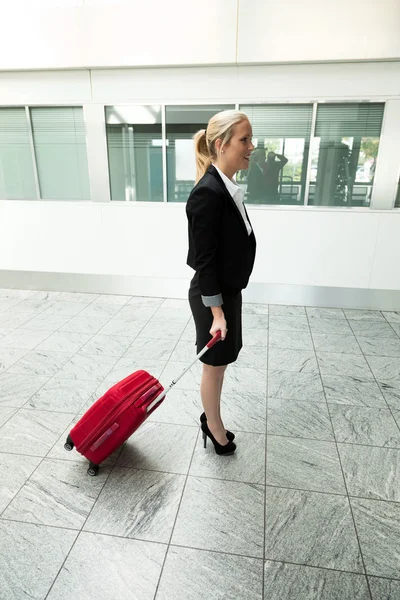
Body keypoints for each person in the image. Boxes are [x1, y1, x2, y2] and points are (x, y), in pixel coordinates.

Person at [186, 110, 256, 456]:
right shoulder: (207, 193)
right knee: (213, 365)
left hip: (227, 293)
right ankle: (213, 427)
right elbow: (205, 259)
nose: (251, 147)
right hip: (212, 298)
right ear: (221, 144)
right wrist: (217, 312)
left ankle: (211, 417)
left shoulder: (225, 187)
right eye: (245, 139)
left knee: (222, 360)